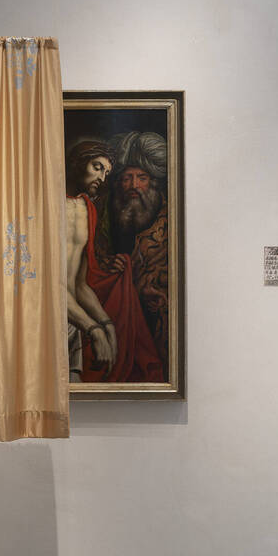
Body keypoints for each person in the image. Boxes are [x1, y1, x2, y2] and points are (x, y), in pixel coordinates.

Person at [65, 138, 163, 384]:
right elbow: (49, 286)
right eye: (97, 167)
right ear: (77, 163)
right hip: (48, 318)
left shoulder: (86, 208)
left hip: (73, 321)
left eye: (107, 172)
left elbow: (78, 284)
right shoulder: (48, 206)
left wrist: (107, 325)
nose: (102, 177)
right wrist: (95, 330)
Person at [109, 131, 169, 372]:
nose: (134, 185)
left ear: (153, 182)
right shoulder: (107, 216)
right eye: (127, 178)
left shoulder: (169, 220)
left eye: (141, 178)